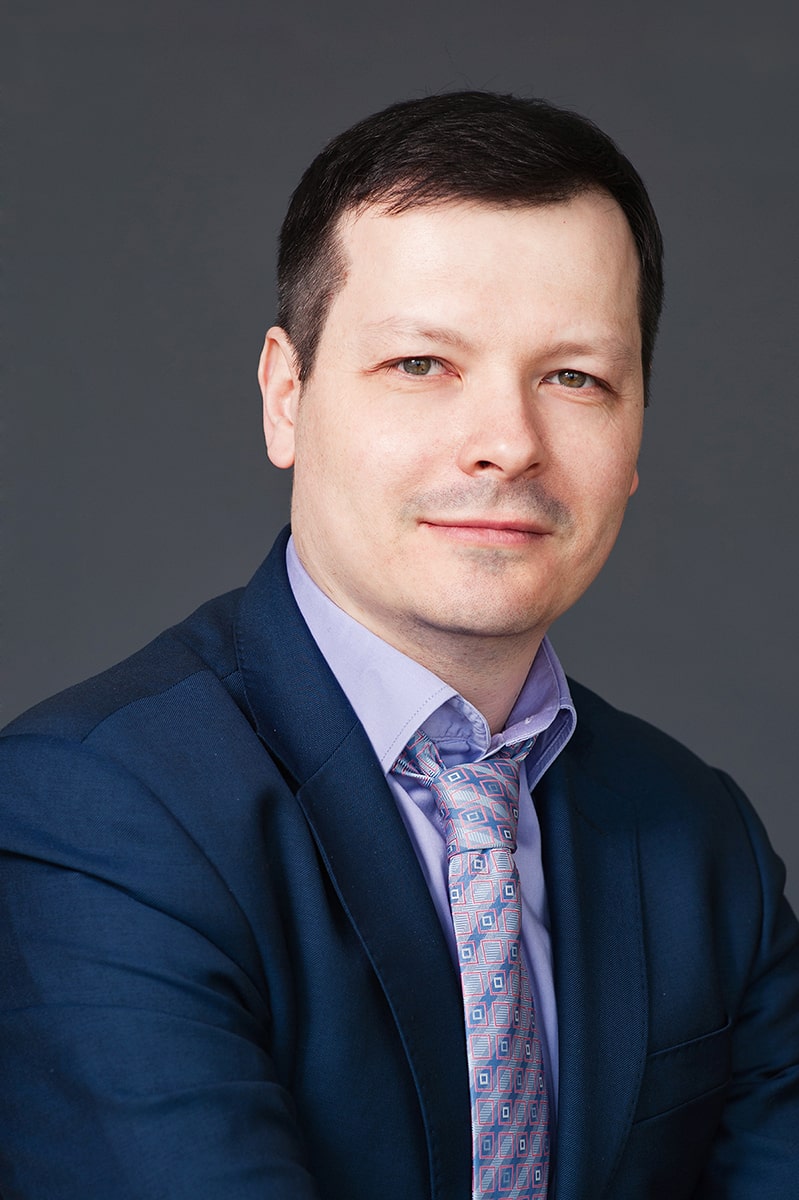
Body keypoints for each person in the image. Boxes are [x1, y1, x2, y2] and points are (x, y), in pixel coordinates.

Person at [0, 91, 797, 1200]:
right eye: (422, 364)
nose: (507, 444)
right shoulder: (87, 812)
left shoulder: (698, 837)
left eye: (574, 376)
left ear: (634, 435)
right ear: (287, 396)